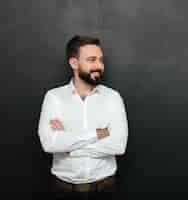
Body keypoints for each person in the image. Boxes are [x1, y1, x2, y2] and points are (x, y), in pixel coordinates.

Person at [37, 35, 128, 200]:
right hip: (63, 191)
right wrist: (99, 134)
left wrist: (69, 144)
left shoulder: (112, 97)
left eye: (101, 60)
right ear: (74, 63)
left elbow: (118, 145)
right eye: (92, 60)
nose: (99, 66)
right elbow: (49, 143)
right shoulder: (54, 97)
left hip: (105, 190)